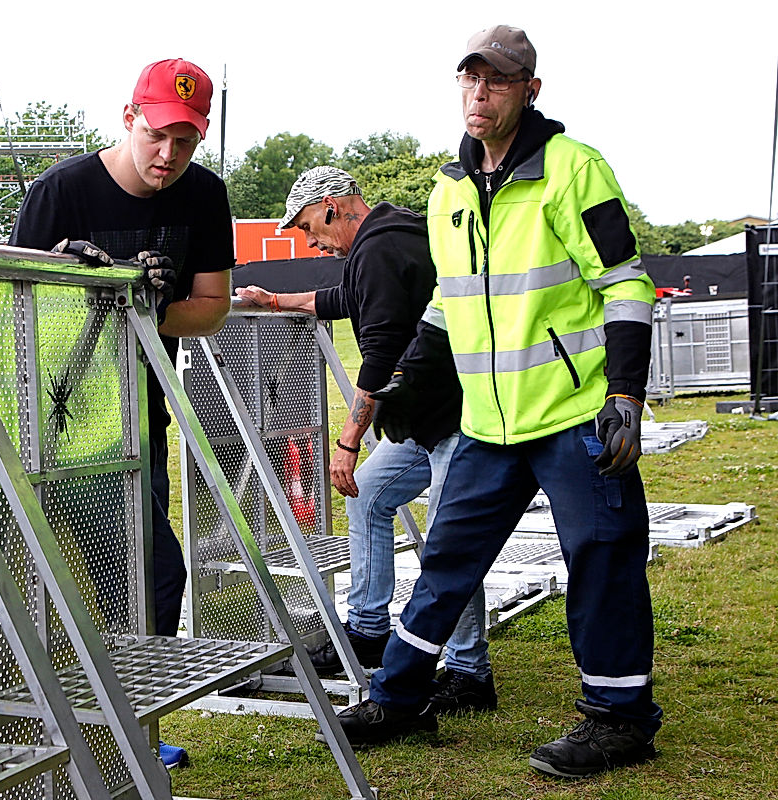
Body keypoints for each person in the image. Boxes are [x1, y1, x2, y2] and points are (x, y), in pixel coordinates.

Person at [331, 25, 662, 780]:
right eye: (470, 80)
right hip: (486, 422)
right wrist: (404, 378)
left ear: (529, 91)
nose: (480, 94)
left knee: (601, 557)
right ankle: (399, 698)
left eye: (499, 82)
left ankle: (620, 720)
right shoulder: (447, 189)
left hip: (572, 413)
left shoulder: (574, 170)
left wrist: (625, 395)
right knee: (446, 562)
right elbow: (450, 299)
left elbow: (626, 283)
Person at [235, 166, 495, 714]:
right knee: (368, 497)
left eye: (308, 228)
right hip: (419, 422)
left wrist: (348, 439)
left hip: (453, 421)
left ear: (332, 207)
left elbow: (377, 358)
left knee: (451, 544)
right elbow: (340, 299)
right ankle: (370, 628)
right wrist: (275, 301)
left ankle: (471, 674)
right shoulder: (383, 241)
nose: (309, 242)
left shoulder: (379, 248)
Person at [9, 58, 232, 642]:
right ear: (128, 118)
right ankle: (52, 723)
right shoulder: (61, 192)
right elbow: (8, 321)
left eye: (184, 141)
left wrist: (149, 309)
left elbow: (212, 306)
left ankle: (133, 728)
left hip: (136, 419)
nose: (168, 155)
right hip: (47, 424)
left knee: (151, 579)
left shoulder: (205, 195)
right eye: (155, 134)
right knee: (25, 584)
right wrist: (72, 285)